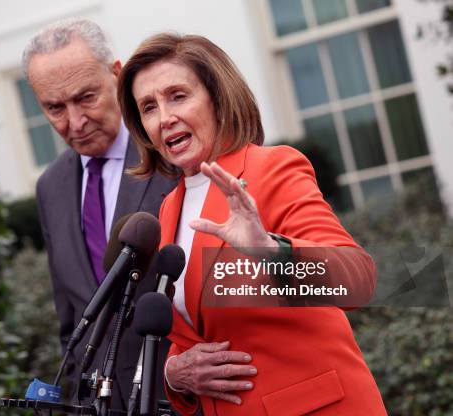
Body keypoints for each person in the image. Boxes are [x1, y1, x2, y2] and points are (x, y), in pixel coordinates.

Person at [118, 33, 387, 415]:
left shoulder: (270, 168)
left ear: (218, 99)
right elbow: (197, 330)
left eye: (178, 96)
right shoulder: (169, 210)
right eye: (148, 107)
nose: (165, 118)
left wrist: (269, 249)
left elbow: (358, 280)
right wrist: (173, 373)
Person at [22, 20, 177, 408]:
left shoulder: (173, 153)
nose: (74, 122)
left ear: (117, 76)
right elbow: (71, 322)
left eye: (86, 97)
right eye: (54, 107)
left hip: (183, 397)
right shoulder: (50, 187)